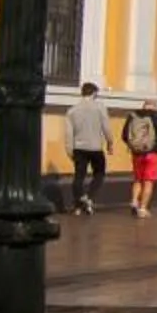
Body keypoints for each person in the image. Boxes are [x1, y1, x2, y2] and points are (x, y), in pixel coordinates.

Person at [62, 82, 111, 216]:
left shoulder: (72, 110)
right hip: (95, 148)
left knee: (79, 176)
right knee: (99, 173)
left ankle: (78, 204)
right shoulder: (100, 108)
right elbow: (106, 127)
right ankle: (88, 197)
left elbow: (68, 134)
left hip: (79, 148)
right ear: (94, 93)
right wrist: (110, 143)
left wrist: (69, 150)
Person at [120, 98, 157, 219]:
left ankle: (134, 201)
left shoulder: (133, 116)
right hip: (152, 154)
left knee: (138, 179)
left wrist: (132, 146)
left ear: (144, 106)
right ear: (155, 107)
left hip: (136, 153)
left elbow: (124, 135)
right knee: (148, 181)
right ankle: (143, 209)